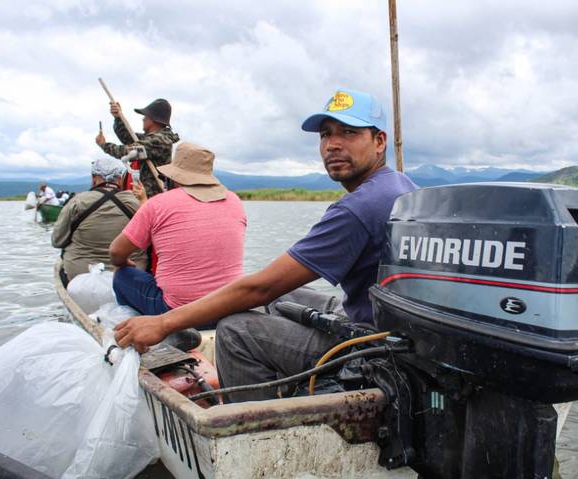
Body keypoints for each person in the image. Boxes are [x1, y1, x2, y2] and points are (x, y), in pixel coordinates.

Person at [113, 88, 417, 402]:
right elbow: (270, 286)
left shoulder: (357, 208)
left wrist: (163, 322)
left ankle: (261, 422)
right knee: (281, 296)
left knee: (235, 332)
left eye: (349, 132)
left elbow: (260, 288)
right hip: (388, 326)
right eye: (326, 134)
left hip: (370, 349)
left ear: (379, 141)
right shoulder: (400, 185)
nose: (332, 144)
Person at [109, 141, 246, 324]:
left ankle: (138, 323)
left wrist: (123, 263)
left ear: (174, 177)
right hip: (227, 308)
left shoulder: (158, 203)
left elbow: (116, 252)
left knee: (122, 275)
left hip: (176, 312)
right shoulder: (235, 201)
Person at [52, 158, 147, 282]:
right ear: (121, 178)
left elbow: (57, 241)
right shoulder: (137, 203)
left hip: (81, 276)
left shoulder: (76, 202)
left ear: (93, 178)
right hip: (130, 277)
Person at [96, 98, 180, 197]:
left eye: (146, 116)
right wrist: (118, 118)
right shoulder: (154, 138)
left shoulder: (159, 141)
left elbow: (126, 152)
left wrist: (103, 145)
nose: (143, 119)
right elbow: (128, 137)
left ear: (153, 120)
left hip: (152, 197)